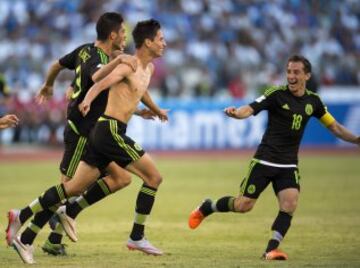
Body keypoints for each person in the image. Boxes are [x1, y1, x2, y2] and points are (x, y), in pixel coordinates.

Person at [6, 18, 167, 264]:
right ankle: (134, 235)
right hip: (89, 129)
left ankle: (32, 222)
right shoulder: (111, 61)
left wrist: (152, 110)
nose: (124, 37)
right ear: (113, 36)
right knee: (152, 177)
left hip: (94, 129)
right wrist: (88, 96)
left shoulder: (89, 51)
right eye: (121, 32)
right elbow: (99, 80)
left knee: (89, 186)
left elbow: (132, 89)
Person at [188, 55, 360, 260]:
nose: (291, 76)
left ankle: (270, 250)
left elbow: (335, 127)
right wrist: (236, 113)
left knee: (290, 204)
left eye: (296, 72)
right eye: (289, 72)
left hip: (288, 164)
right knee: (244, 206)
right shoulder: (276, 94)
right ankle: (208, 207)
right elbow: (250, 108)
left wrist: (357, 140)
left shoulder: (314, 102)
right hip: (265, 160)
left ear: (307, 75)